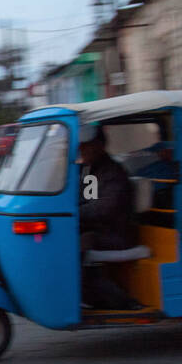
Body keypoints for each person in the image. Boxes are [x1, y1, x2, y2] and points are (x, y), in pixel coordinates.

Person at [76, 123, 140, 309]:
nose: (82, 149)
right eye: (82, 145)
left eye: (87, 145)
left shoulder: (113, 173)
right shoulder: (91, 171)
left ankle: (121, 300)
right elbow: (86, 200)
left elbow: (104, 209)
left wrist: (74, 214)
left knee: (83, 242)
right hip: (101, 230)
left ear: (100, 145)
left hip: (119, 234)